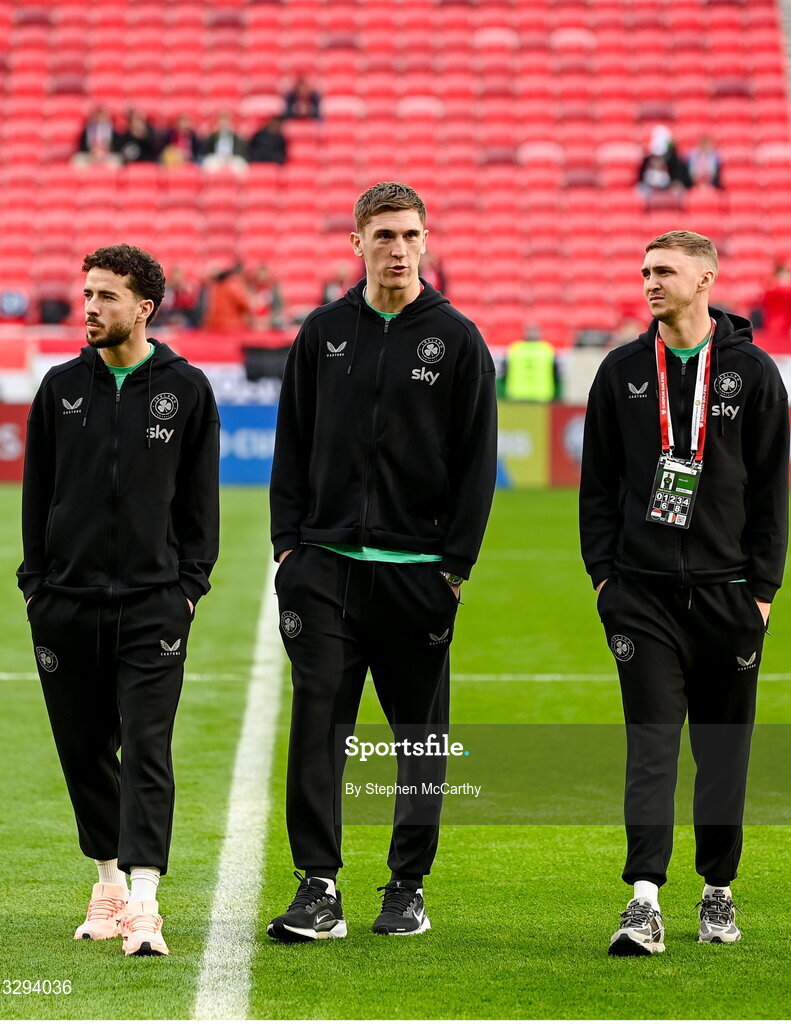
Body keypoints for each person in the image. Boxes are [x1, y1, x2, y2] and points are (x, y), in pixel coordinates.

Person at [267, 181, 497, 942]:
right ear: (356, 242)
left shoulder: (457, 338)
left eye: (409, 235)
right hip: (325, 569)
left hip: (417, 572)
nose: (397, 250)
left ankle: (406, 885)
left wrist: (452, 567)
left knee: (419, 739)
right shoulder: (323, 331)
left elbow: (474, 465)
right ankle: (317, 885)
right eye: (383, 236)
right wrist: (287, 551)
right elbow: (291, 446)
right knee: (317, 729)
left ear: (425, 241)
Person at [579, 231, 789, 957]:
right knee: (651, 745)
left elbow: (770, 494)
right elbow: (597, 488)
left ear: (705, 279)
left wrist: (760, 592)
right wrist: (605, 579)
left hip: (729, 597)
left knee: (722, 751)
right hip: (640, 596)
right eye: (643, 271)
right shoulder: (621, 372)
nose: (648, 282)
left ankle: (716, 892)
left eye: (663, 270)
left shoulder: (753, 375)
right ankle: (642, 899)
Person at [17, 244, 220, 956]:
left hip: (153, 604)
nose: (91, 307)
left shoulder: (186, 390)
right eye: (88, 293)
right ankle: (106, 882)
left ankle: (144, 902)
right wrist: (35, 587)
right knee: (83, 750)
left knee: (148, 748)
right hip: (64, 604)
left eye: (106, 296)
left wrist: (189, 587)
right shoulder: (59, 386)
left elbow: (200, 503)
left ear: (144, 308)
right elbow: (37, 493)